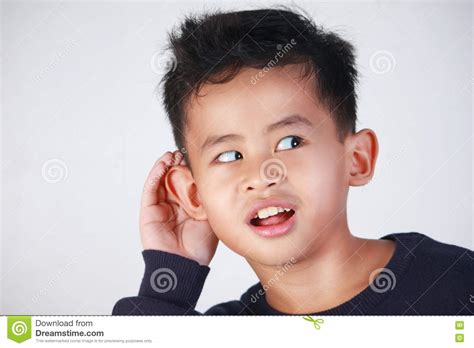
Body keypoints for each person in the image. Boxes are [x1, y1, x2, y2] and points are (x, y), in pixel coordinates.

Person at [112, 7, 473, 315]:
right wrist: (169, 280)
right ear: (194, 196)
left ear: (357, 159)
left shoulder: (454, 281)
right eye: (229, 155)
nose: (261, 174)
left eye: (290, 141)